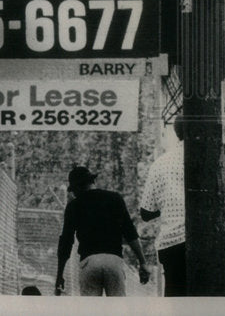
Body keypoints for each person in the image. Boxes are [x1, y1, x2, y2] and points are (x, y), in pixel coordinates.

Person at [55, 166, 149, 296]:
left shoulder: (73, 206)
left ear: (76, 188)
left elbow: (66, 242)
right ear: (92, 181)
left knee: (91, 311)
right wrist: (142, 262)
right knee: (117, 310)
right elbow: (130, 233)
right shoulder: (115, 198)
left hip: (89, 263)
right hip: (113, 260)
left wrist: (59, 275)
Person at [140, 115, 186, 296]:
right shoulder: (209, 160)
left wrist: (167, 205)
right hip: (202, 241)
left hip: (171, 242)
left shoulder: (160, 164)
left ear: (176, 132)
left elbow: (145, 212)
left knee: (175, 298)